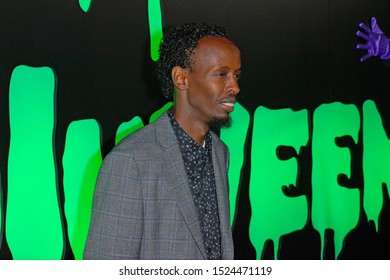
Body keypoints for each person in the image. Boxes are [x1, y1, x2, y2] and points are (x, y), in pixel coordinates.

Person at [83, 22, 241, 260]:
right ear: (181, 78)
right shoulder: (130, 161)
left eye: (236, 76)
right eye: (221, 74)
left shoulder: (220, 152)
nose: (235, 87)